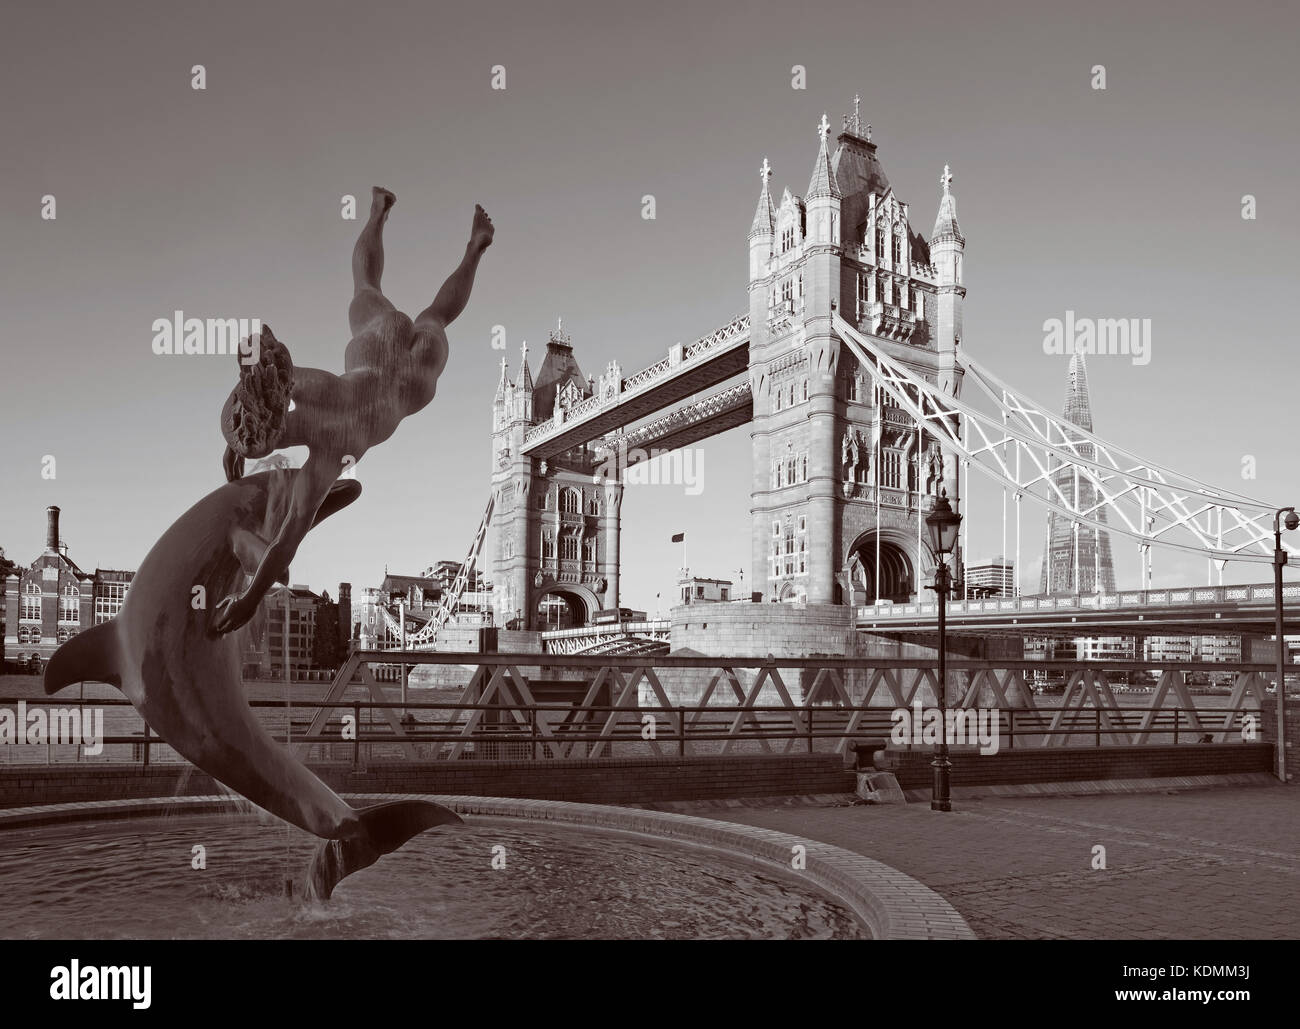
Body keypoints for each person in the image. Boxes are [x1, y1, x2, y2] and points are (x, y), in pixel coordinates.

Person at [213, 188, 494, 634]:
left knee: (436, 315)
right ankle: (388, 216)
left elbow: (288, 539)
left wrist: (248, 603)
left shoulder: (330, 455)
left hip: (411, 381)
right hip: (378, 343)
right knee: (371, 289)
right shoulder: (309, 384)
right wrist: (236, 438)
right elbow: (264, 377)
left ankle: (473, 248)